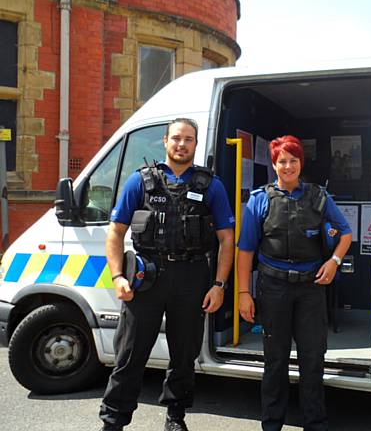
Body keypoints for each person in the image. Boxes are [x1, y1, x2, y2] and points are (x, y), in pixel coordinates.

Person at [99, 118, 235, 431]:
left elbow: (227, 238)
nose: (181, 144)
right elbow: (115, 232)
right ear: (165, 141)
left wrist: (219, 285)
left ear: (196, 145)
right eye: (176, 138)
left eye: (188, 139)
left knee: (184, 355)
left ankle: (175, 417)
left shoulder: (210, 185)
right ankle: (112, 422)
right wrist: (118, 276)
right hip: (146, 279)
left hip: (192, 277)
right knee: (130, 354)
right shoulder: (140, 181)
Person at [237, 135, 353, 431]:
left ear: (301, 163)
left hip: (310, 290)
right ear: (274, 165)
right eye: (281, 161)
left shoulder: (318, 197)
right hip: (273, 289)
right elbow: (246, 250)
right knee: (275, 361)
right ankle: (272, 424)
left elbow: (346, 233)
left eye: (293, 160)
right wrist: (243, 293)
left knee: (312, 359)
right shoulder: (259, 200)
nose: (287, 166)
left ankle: (315, 423)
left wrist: (334, 261)